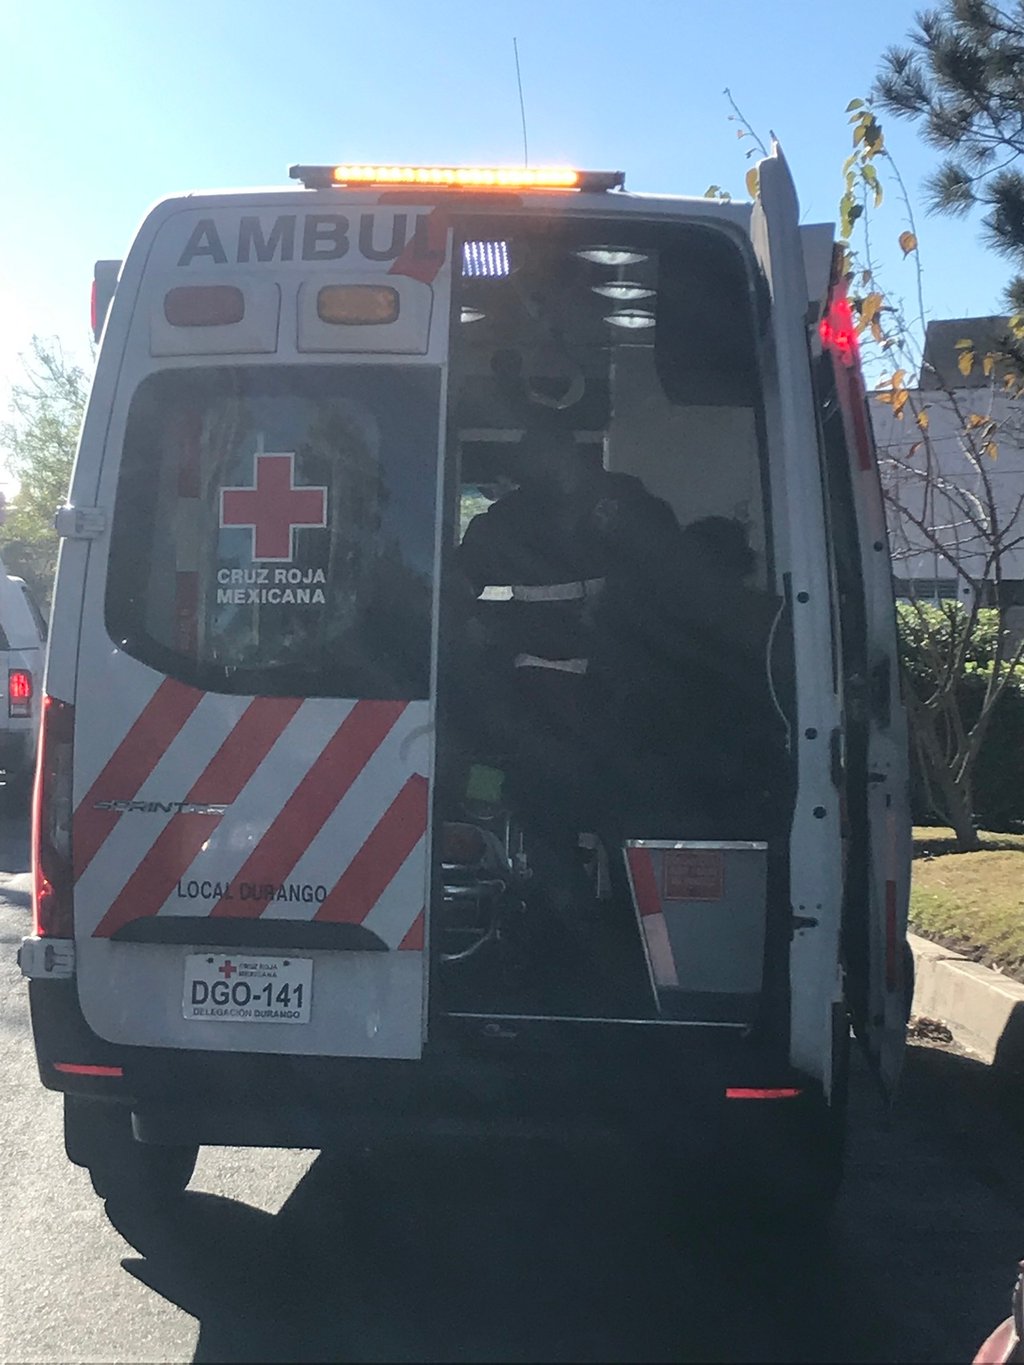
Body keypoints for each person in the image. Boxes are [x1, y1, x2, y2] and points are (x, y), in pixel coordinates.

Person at [453, 426, 682, 954]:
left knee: (574, 814)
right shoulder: (525, 517)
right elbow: (462, 586)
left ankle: (587, 931)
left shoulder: (617, 504)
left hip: (596, 689)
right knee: (576, 812)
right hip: (581, 690)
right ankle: (601, 933)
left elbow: (459, 589)